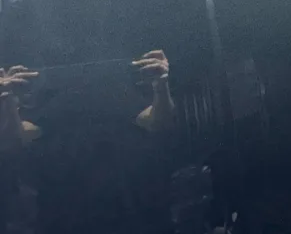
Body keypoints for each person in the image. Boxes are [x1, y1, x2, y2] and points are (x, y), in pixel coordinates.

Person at [0, 50, 175, 234]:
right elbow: (13, 140)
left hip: (128, 213)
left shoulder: (115, 85)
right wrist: (8, 101)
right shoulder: (47, 94)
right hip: (63, 217)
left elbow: (159, 123)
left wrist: (161, 86)